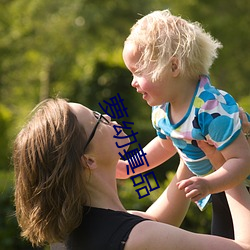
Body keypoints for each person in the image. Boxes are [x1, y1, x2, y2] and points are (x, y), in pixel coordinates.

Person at [13, 98, 250, 250]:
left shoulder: (74, 233)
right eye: (98, 120)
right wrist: (226, 165)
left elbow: (157, 221)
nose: (108, 117)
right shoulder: (138, 238)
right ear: (88, 160)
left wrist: (190, 138)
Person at [119, 9, 250, 239]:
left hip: (239, 186)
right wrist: (128, 167)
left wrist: (209, 184)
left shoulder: (210, 109)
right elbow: (164, 145)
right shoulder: (162, 110)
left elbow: (242, 160)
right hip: (220, 190)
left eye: (138, 72)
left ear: (173, 67)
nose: (133, 82)